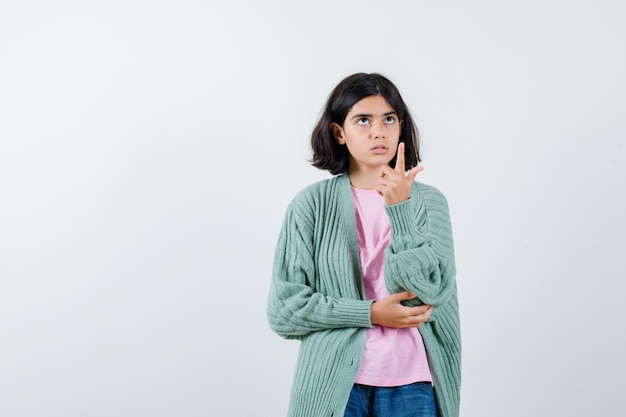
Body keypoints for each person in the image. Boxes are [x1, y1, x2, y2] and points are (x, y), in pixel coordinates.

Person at [267, 72, 461, 417]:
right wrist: (370, 313)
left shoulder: (429, 203)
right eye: (363, 120)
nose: (378, 131)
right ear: (339, 132)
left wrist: (400, 211)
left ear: (401, 126)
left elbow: (433, 291)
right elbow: (285, 311)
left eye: (389, 119)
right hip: (333, 385)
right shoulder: (310, 205)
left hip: (413, 384)